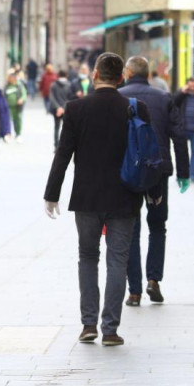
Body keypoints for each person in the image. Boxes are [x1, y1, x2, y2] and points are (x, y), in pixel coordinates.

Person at [44, 53, 159, 347]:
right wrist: (153, 190)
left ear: (95, 74)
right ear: (121, 77)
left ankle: (88, 325)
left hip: (87, 197)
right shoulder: (136, 108)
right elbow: (147, 154)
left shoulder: (75, 108)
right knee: (117, 261)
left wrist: (52, 194)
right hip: (125, 196)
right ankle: (110, 329)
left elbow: (63, 153)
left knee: (87, 257)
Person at [119, 56, 190, 307]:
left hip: (127, 173)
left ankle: (134, 291)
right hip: (157, 171)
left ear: (127, 73)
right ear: (148, 74)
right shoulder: (163, 97)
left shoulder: (118, 97)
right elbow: (179, 137)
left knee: (131, 229)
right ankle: (154, 280)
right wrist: (183, 172)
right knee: (158, 226)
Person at [48, 70, 73, 150]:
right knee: (67, 128)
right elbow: (70, 98)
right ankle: (65, 145)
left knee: (56, 127)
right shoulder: (69, 85)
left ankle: (56, 145)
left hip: (56, 110)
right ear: (66, 75)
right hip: (67, 109)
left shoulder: (54, 85)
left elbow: (52, 98)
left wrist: (58, 107)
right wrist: (63, 108)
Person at [4, 71, 27, 142]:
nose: (11, 80)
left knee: (18, 120)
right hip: (8, 107)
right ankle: (8, 134)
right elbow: (3, 95)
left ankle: (18, 134)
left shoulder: (19, 86)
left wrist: (21, 100)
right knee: (7, 121)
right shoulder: (7, 86)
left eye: (12, 78)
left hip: (17, 107)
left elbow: (24, 94)